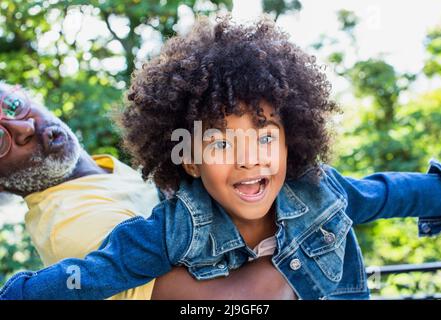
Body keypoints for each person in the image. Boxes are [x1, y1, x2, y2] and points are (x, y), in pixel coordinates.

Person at [1, 16, 441, 300]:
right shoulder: (170, 231)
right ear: (190, 161)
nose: (250, 159)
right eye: (219, 143)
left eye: (266, 136)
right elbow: (94, 273)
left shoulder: (320, 191)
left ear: (292, 140)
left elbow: (391, 194)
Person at [0, 81, 296, 300]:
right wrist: (309, 232)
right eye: (1, 139)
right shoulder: (71, 224)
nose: (25, 127)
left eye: (12, 105)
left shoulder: (102, 173)